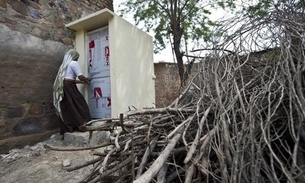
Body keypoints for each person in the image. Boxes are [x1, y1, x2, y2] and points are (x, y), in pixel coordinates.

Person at [53, 49, 92, 134]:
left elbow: (70, 79)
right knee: (80, 104)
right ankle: (83, 123)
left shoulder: (64, 65)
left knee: (69, 107)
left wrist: (82, 82)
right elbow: (80, 76)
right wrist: (87, 79)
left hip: (64, 86)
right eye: (77, 57)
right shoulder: (73, 63)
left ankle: (70, 126)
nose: (77, 59)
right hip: (69, 87)